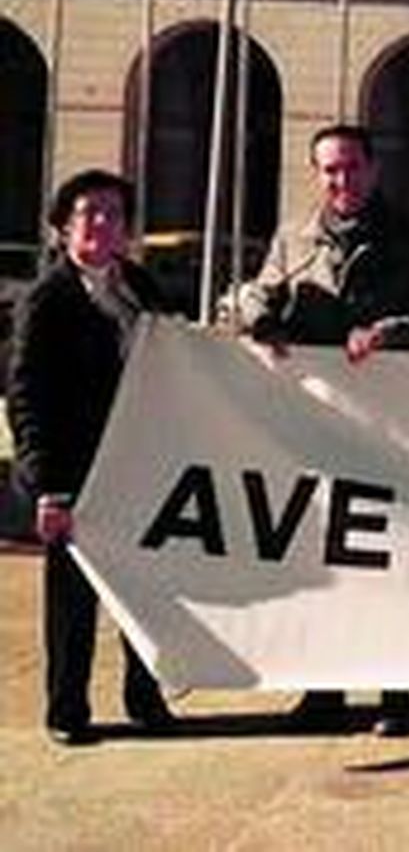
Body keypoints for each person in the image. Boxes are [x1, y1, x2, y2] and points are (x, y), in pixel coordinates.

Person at [236, 122, 409, 737]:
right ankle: (324, 687)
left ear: (373, 170)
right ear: (318, 175)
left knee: (390, 557)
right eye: (330, 170)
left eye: (352, 168)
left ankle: (395, 690)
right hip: (313, 422)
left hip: (390, 427)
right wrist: (260, 319)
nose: (342, 180)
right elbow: (260, 294)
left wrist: (393, 332)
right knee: (321, 556)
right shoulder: (294, 237)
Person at [6, 170, 174, 745]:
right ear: (62, 228)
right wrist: (46, 486)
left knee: (148, 589)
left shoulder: (141, 287)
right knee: (73, 600)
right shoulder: (44, 301)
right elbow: (26, 399)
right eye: (90, 213)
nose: (104, 224)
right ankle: (67, 709)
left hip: (141, 464)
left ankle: (145, 699)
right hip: (75, 473)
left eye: (115, 214)